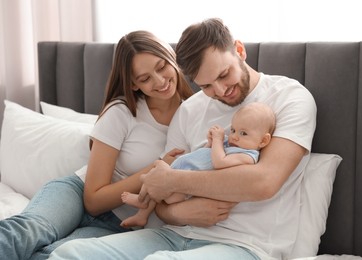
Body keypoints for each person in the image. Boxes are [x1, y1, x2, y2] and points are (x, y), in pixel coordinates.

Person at [49, 17, 317, 260]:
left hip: (245, 245)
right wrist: (177, 212)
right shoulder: (190, 109)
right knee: (69, 254)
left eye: (224, 75)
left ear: (239, 50)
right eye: (206, 85)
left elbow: (264, 182)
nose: (221, 90)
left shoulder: (290, 98)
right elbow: (162, 202)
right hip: (174, 234)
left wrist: (171, 180)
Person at [0, 30, 193, 260]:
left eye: (161, 67)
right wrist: (156, 169)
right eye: (145, 78)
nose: (159, 81)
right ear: (133, 85)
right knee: (25, 233)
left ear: (171, 57)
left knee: (52, 256)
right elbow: (93, 201)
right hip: (76, 196)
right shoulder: (122, 112)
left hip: (122, 224)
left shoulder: (195, 114)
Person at [120, 102, 276, 228]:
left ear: (263, 141)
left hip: (184, 187)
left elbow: (219, 162)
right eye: (233, 129)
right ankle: (142, 215)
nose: (234, 136)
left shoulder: (248, 156)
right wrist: (210, 143)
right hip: (182, 169)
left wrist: (217, 140)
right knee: (157, 170)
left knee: (160, 183)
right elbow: (206, 155)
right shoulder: (233, 144)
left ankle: (143, 202)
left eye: (243, 133)